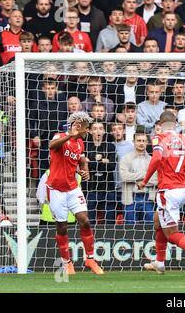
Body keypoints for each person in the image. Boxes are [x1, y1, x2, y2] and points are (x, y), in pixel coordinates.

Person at [138, 111, 185, 274]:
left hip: (167, 191)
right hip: (182, 191)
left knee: (171, 233)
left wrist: (144, 181)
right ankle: (159, 262)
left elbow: (155, 159)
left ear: (160, 124)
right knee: (158, 221)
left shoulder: (159, 138)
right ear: (175, 124)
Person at [47, 112, 104, 274]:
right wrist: (69, 135)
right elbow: (52, 146)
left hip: (73, 188)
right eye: (86, 129)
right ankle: (67, 263)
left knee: (85, 221)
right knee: (62, 227)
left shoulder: (80, 143)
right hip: (56, 190)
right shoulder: (61, 136)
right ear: (77, 127)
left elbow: (81, 160)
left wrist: (84, 170)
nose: (88, 132)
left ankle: (90, 260)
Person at [120, 132, 157, 223]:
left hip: (148, 198)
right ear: (133, 142)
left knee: (149, 229)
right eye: (139, 140)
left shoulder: (152, 160)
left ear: (147, 142)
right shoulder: (125, 158)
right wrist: (145, 174)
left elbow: (156, 180)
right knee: (130, 229)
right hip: (130, 198)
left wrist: (137, 179)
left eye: (143, 141)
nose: (141, 143)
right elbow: (124, 176)